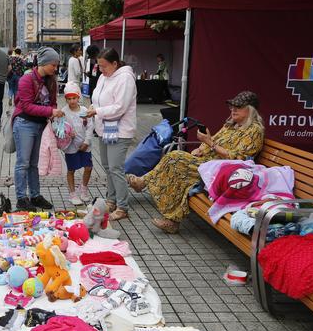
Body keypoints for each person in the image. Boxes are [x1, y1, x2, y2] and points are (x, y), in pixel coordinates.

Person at [127, 91, 265, 234]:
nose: (233, 109)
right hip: (209, 164)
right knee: (177, 168)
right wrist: (201, 148)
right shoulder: (231, 125)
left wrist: (209, 143)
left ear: (251, 110)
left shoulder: (254, 131)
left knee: (175, 158)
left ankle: (144, 182)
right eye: (232, 106)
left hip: (224, 172)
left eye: (238, 107)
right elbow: (213, 141)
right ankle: (171, 220)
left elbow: (239, 159)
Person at [86, 48, 136, 221]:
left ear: (115, 64)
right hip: (106, 127)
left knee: (116, 168)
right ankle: (111, 200)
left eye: (104, 66)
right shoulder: (103, 77)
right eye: (99, 66)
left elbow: (120, 107)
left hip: (120, 129)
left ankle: (123, 207)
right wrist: (93, 109)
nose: (101, 70)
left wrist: (97, 111)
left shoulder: (125, 78)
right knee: (108, 167)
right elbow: (98, 98)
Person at [12, 46, 63, 211]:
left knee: (34, 164)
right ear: (43, 63)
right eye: (53, 65)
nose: (55, 69)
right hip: (24, 124)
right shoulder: (26, 80)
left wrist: (53, 112)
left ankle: (35, 195)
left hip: (40, 125)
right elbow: (26, 106)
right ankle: (21, 198)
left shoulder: (50, 80)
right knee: (23, 163)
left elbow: (53, 101)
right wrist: (50, 111)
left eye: (56, 66)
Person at [61, 82, 94, 205]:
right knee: (71, 170)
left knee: (88, 167)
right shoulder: (63, 112)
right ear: (65, 99)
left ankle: (83, 189)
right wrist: (67, 134)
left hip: (85, 145)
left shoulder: (85, 111)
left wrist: (87, 142)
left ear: (78, 97)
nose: (72, 101)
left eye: (74, 98)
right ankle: (72, 193)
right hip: (71, 147)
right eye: (69, 99)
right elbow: (60, 128)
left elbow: (90, 127)